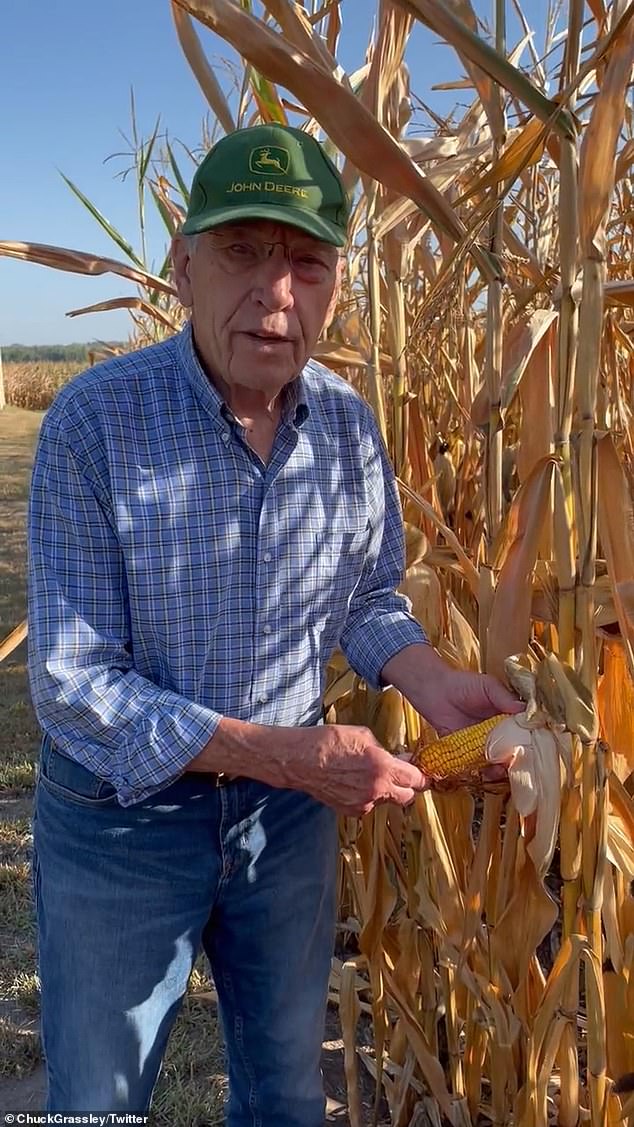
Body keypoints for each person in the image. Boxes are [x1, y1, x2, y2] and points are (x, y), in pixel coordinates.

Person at [27, 123, 519, 1125]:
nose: (276, 292)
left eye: (305, 260)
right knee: (96, 1099)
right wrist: (284, 754)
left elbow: (367, 597)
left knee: (288, 1091)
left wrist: (429, 681)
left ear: (336, 279)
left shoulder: (344, 424)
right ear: (183, 264)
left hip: (283, 830)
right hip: (122, 822)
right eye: (243, 252)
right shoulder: (94, 424)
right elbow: (76, 681)